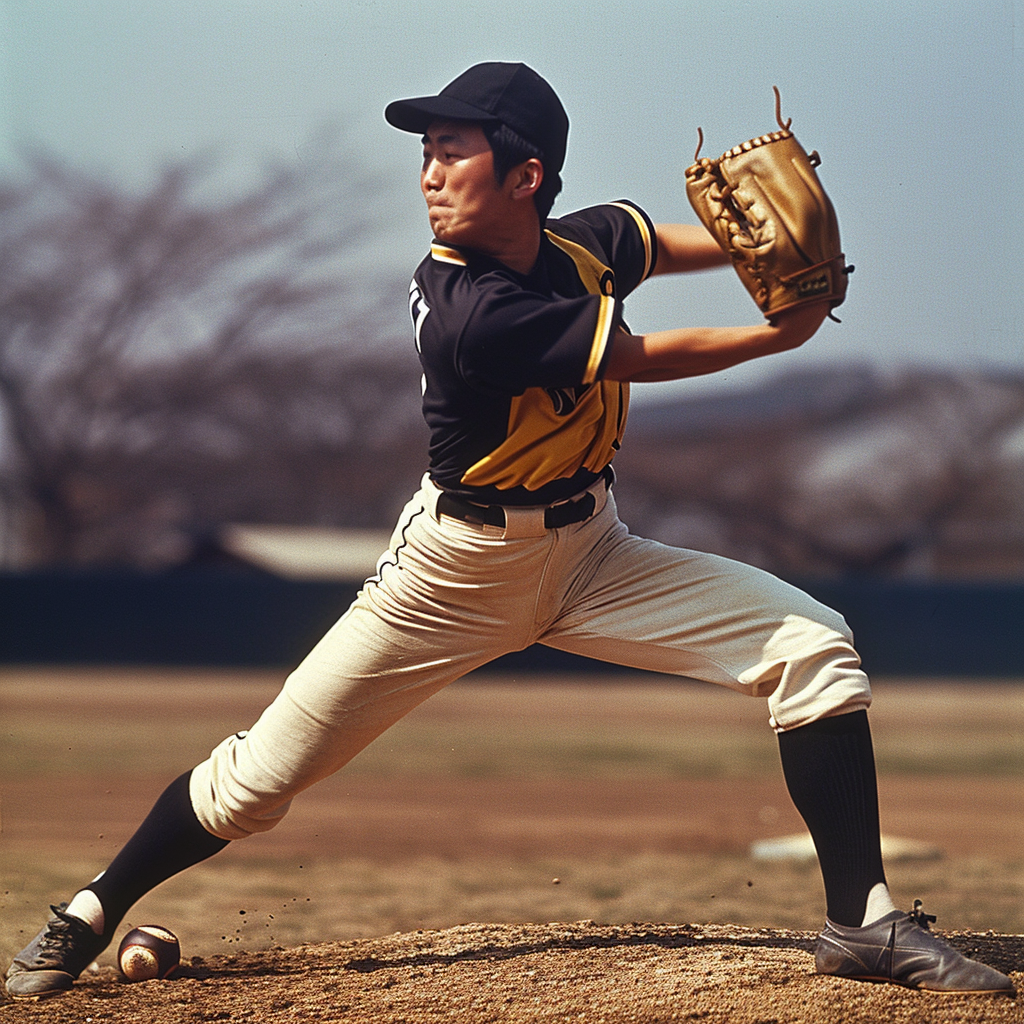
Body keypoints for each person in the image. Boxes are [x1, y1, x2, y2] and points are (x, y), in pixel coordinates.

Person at [6, 61, 1014, 1000]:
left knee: (812, 643)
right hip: (454, 572)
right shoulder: (466, 306)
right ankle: (89, 909)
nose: (429, 172)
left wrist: (768, 251)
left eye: (452, 149)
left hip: (594, 552)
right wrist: (779, 327)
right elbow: (640, 356)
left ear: (525, 175)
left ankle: (862, 923)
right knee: (256, 783)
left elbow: (655, 242)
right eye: (427, 150)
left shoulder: (577, 243)